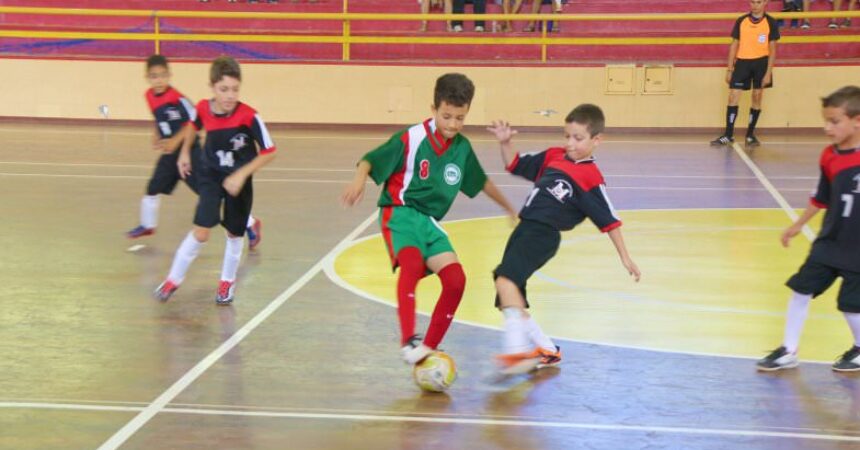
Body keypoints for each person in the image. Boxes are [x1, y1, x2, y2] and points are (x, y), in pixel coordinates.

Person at [341, 73, 518, 365]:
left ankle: (427, 349)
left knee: (456, 280)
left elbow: (481, 181)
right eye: (446, 116)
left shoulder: (461, 148)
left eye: (460, 118)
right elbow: (370, 159)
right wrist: (359, 180)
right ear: (433, 108)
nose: (452, 124)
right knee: (411, 263)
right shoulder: (411, 138)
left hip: (429, 222)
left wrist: (508, 207)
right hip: (400, 212)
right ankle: (408, 340)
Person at [487, 104, 641, 374]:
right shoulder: (553, 156)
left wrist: (625, 257)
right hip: (524, 230)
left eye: (578, 138)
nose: (570, 144)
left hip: (544, 234)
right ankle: (546, 350)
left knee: (505, 280)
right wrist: (506, 142)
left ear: (597, 140)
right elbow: (515, 163)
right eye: (567, 136)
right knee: (509, 294)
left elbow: (609, 220)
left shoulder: (590, 177)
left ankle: (516, 354)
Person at [154, 56, 276, 305]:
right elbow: (192, 126)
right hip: (211, 174)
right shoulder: (202, 108)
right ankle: (173, 279)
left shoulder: (249, 116)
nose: (230, 96)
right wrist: (186, 152)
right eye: (224, 89)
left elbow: (270, 151)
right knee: (201, 232)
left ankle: (226, 282)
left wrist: (242, 174)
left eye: (234, 89)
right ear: (212, 87)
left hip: (238, 181)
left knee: (234, 234)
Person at [756, 86, 860, 372]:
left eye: (835, 122)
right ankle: (789, 350)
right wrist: (798, 225)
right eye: (825, 121)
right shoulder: (829, 156)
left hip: (857, 249)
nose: (828, 128)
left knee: (851, 306)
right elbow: (821, 198)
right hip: (829, 243)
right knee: (800, 291)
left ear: (857, 120)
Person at [127, 54, 263, 250]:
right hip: (170, 156)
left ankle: (249, 223)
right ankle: (148, 225)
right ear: (147, 78)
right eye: (154, 76)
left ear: (169, 76)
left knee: (210, 195)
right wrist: (157, 133)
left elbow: (192, 122)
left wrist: (176, 141)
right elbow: (160, 118)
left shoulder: (177, 99)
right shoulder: (149, 96)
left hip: (190, 153)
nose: (158, 80)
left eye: (163, 75)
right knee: (153, 187)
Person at [710, 0, 780, 149]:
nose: (755, 5)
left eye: (759, 2)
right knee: (733, 96)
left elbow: (773, 49)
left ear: (765, 3)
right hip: (742, 63)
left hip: (761, 63)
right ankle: (728, 135)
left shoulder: (771, 22)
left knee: (757, 96)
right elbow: (734, 45)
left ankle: (750, 135)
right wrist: (729, 69)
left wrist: (768, 72)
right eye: (753, 2)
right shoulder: (741, 21)